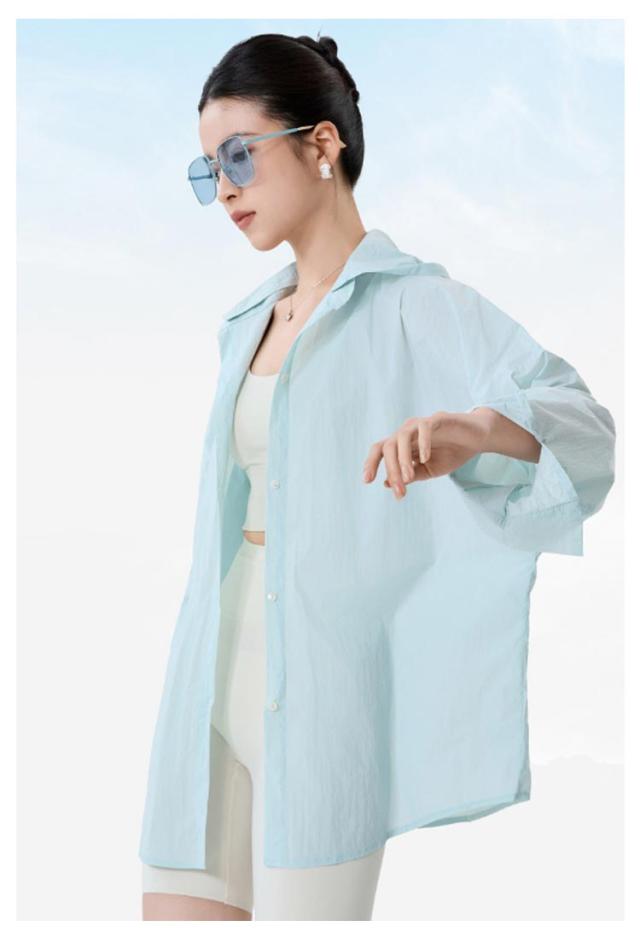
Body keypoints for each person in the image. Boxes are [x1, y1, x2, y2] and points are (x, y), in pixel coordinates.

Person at [139, 32, 616, 921]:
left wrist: (476, 429)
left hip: (325, 704)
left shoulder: (421, 306)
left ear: (322, 144)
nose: (225, 188)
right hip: (206, 687)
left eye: (239, 155)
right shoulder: (244, 324)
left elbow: (586, 427)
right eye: (208, 170)